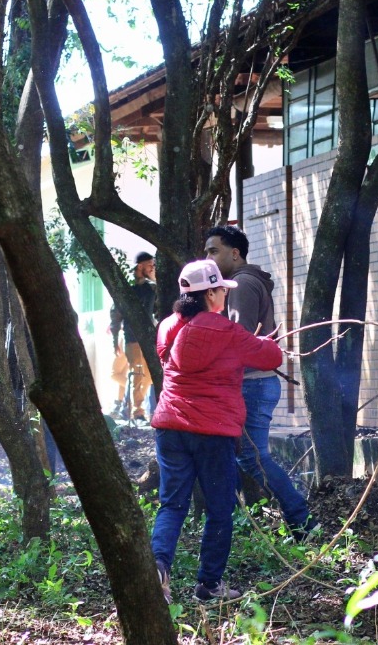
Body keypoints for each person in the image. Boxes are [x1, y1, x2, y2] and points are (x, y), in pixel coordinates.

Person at [150, 259, 283, 604]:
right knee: (221, 508)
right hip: (212, 430)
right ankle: (209, 586)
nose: (225, 292)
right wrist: (264, 343)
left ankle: (157, 568)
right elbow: (271, 357)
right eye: (222, 287)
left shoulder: (168, 326)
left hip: (170, 426)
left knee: (172, 503)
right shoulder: (224, 330)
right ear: (210, 293)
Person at [204, 224, 316, 539]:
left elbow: (238, 339)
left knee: (253, 457)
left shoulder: (241, 285)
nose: (209, 258)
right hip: (254, 383)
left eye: (214, 251)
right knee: (241, 455)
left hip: (252, 384)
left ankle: (303, 521)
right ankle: (242, 523)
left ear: (235, 253)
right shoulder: (244, 282)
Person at [109, 251, 157, 420]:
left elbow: (160, 307)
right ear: (140, 266)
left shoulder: (152, 288)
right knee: (136, 374)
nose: (153, 268)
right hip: (132, 338)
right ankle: (137, 412)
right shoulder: (127, 288)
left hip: (150, 339)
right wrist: (115, 341)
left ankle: (132, 406)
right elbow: (116, 316)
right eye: (150, 265)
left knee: (150, 376)